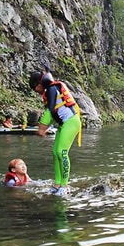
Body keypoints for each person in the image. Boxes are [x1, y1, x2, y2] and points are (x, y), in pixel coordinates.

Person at [29, 69, 81, 197]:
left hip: (72, 122)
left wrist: (42, 128)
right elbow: (53, 112)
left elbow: (50, 111)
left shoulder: (52, 89)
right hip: (64, 124)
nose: (35, 90)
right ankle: (57, 184)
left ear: (40, 83)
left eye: (35, 87)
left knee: (61, 152)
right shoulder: (50, 90)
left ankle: (64, 185)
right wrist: (45, 126)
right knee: (55, 152)